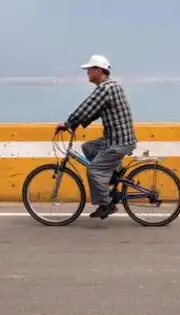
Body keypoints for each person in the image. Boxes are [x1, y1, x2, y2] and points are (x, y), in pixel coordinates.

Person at [55, 54, 137, 219]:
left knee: (94, 170)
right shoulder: (111, 87)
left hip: (118, 142)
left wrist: (68, 123)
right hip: (116, 139)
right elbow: (94, 111)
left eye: (89, 70)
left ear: (99, 70)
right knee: (88, 147)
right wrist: (77, 123)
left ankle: (105, 204)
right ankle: (114, 173)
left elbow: (87, 107)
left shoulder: (105, 88)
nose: (87, 73)